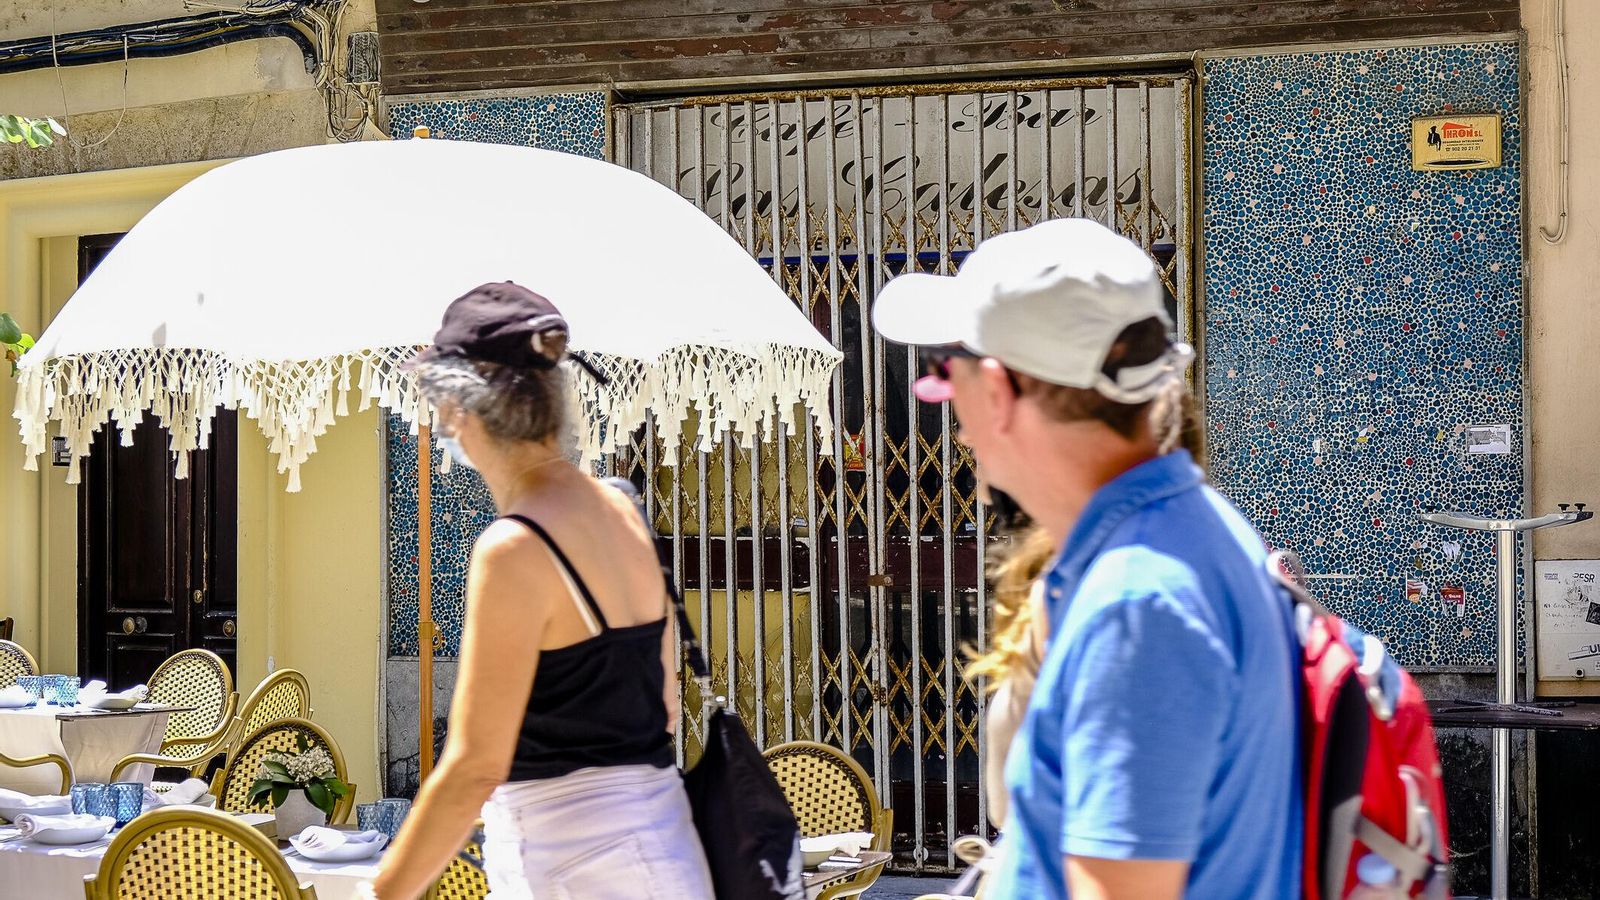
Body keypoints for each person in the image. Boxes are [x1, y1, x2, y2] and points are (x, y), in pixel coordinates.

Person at [873, 219, 1302, 900]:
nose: (949, 413)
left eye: (944, 371)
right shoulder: (1175, 539)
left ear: (999, 390)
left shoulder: (1136, 604)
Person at [362, 283, 713, 900]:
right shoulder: (624, 508)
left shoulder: (515, 548)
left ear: (456, 407)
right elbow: (662, 704)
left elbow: (475, 766)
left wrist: (383, 892)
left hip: (582, 869)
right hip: (664, 847)